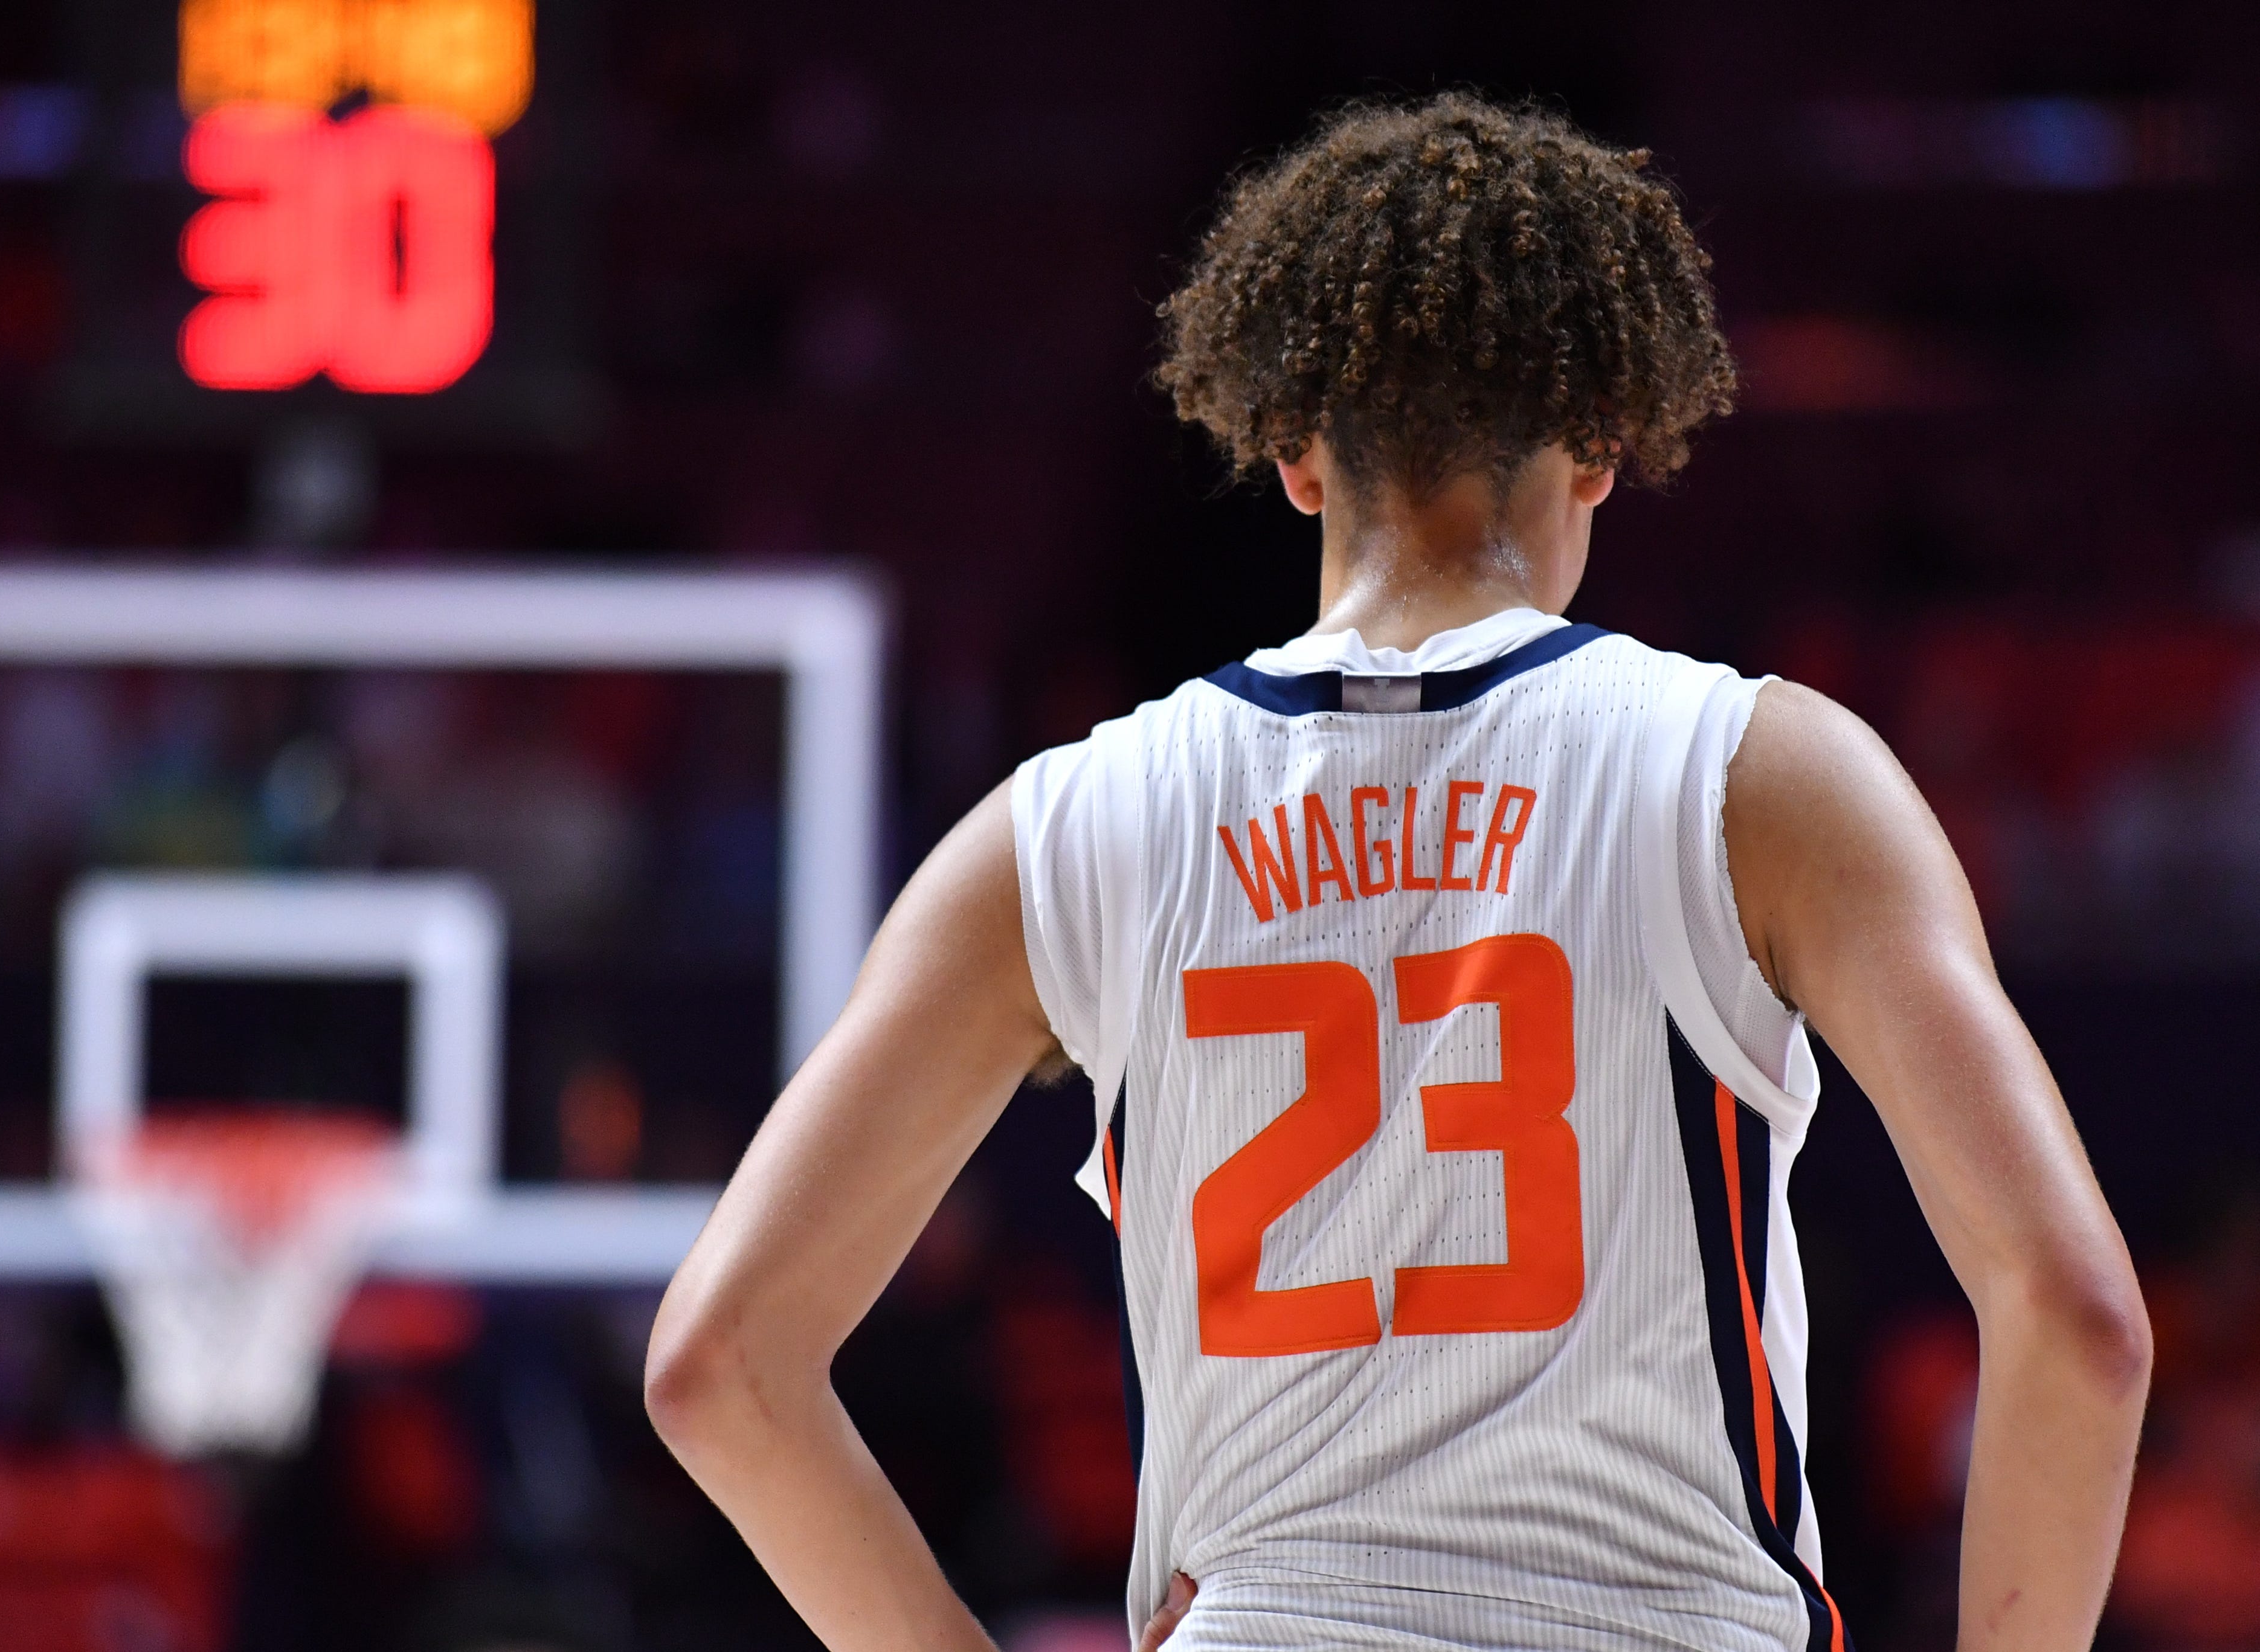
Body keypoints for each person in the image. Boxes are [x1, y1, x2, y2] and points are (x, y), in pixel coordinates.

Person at [645, 94, 2151, 1652]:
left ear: (1293, 456)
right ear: (1606, 445)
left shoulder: (1063, 829)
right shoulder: (1763, 777)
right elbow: (2081, 1325)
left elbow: (719, 1363)